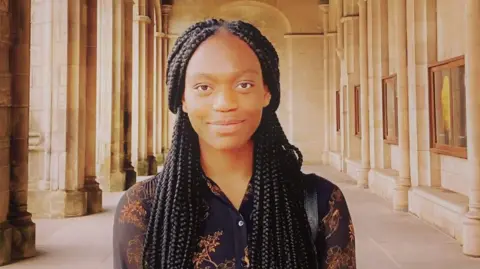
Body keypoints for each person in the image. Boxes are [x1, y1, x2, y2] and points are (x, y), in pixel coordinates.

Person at [113, 18, 356, 269]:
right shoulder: (141, 209)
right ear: (183, 99)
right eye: (204, 87)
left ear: (266, 92)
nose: (224, 103)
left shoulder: (322, 202)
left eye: (244, 84)